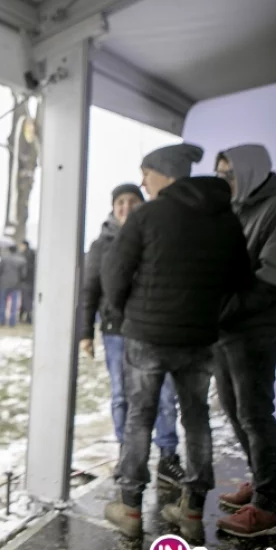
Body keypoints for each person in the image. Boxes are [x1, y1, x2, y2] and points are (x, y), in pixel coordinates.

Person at [101, 144, 251, 542]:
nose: (144, 181)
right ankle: (192, 510)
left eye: (145, 174)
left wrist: (129, 312)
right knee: (196, 417)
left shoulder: (148, 215)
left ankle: (130, 507)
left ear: (162, 174)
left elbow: (114, 275)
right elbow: (240, 281)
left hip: (147, 337)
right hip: (200, 338)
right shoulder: (224, 218)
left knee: (139, 418)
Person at [211, 144, 276, 537]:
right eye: (220, 173)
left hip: (255, 331)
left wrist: (221, 309)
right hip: (227, 330)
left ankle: (268, 506)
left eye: (229, 173)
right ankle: (261, 481)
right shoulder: (236, 209)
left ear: (249, 170)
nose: (224, 181)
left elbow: (274, 280)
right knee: (233, 408)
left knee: (255, 413)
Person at [80, 184, 183, 487]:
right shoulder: (102, 244)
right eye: (120, 202)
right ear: (113, 207)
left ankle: (168, 456)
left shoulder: (157, 235)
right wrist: (85, 332)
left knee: (164, 395)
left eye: (132, 201)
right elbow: (89, 290)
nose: (126, 207)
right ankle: (128, 457)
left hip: (154, 330)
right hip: (116, 332)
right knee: (121, 396)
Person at [0, 245, 24, 327]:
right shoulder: (21, 260)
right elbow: (23, 274)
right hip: (15, 284)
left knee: (2, 302)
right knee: (14, 304)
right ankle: (12, 322)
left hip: (4, 283)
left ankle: (2, 321)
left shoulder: (4, 258)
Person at [18, 240, 35, 324]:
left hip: (27, 281)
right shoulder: (32, 254)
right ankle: (26, 317)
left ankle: (28, 318)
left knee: (26, 300)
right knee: (28, 300)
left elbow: (25, 270)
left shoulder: (25, 256)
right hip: (31, 281)